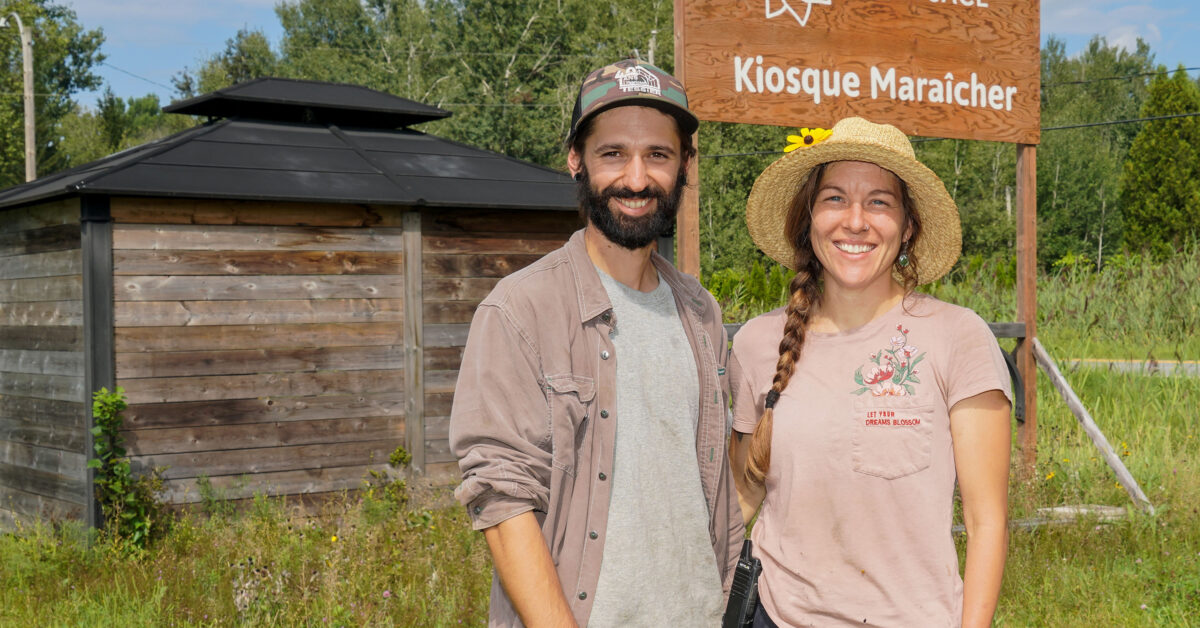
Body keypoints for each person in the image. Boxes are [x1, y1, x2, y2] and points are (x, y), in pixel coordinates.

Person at [449, 59, 743, 628]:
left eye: (658, 154)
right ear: (576, 160)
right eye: (613, 154)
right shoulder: (520, 310)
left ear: (686, 164)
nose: (636, 179)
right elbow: (502, 497)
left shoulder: (701, 312)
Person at [728, 117, 1013, 627]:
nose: (855, 221)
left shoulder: (959, 338)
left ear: (906, 228)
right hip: (774, 615)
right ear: (808, 221)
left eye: (879, 201)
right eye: (834, 198)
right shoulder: (754, 344)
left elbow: (986, 521)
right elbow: (743, 495)